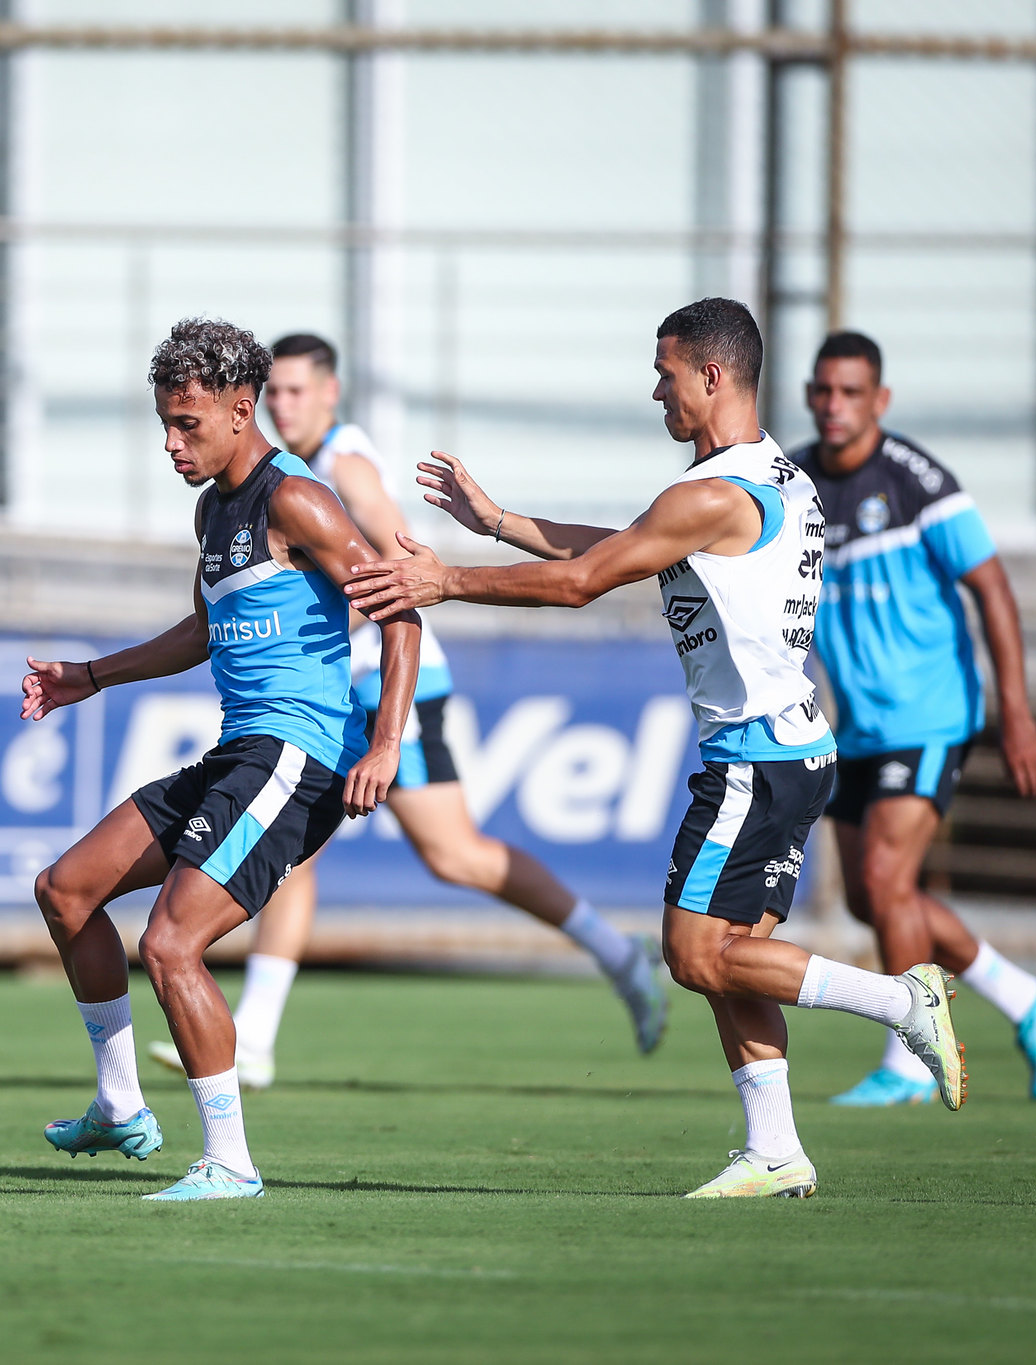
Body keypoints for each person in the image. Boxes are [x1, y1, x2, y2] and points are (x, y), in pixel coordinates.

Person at [344, 298, 966, 1199]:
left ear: (711, 376)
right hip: (787, 749)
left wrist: (444, 579)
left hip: (758, 758)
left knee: (694, 953)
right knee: (730, 956)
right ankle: (776, 1148)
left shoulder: (709, 493)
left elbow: (583, 583)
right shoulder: (769, 478)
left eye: (664, 371)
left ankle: (904, 1000)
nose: (655, 390)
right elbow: (633, 551)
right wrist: (501, 521)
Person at [146, 333, 666, 1090]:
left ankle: (616, 950)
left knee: (454, 854)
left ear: (327, 394)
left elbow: (396, 581)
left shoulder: (340, 465)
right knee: (286, 855)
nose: (285, 404)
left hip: (387, 686)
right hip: (326, 697)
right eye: (278, 391)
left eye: (297, 392)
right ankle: (253, 1034)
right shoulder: (251, 479)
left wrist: (319, 632)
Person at [22, 318, 418, 1201]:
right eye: (164, 422)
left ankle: (230, 1161)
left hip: (299, 757)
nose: (171, 442)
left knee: (170, 943)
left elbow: (399, 610)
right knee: (66, 889)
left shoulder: (298, 500)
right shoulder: (214, 508)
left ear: (243, 411)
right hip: (239, 752)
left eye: (187, 424)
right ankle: (120, 1104)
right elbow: (206, 630)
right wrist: (91, 674)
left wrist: (386, 741)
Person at [796, 330, 1036, 1105]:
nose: (834, 406)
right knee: (872, 897)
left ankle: (910, 1059)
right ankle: (1028, 999)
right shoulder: (795, 484)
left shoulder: (917, 481)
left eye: (851, 392)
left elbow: (993, 588)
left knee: (887, 880)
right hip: (856, 726)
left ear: (879, 400)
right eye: (823, 390)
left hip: (932, 713)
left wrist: (1014, 710)